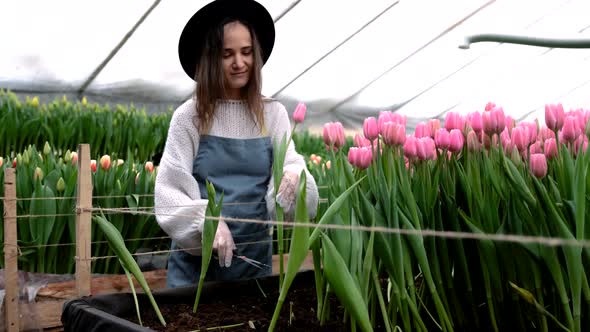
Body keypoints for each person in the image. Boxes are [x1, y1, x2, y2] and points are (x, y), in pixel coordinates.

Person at [154, 0, 319, 288]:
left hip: (254, 265)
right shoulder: (189, 117)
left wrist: (294, 177)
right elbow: (169, 191)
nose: (239, 63)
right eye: (227, 54)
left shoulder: (272, 113)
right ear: (210, 59)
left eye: (246, 52)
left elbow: (290, 162)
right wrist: (207, 222)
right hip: (197, 270)